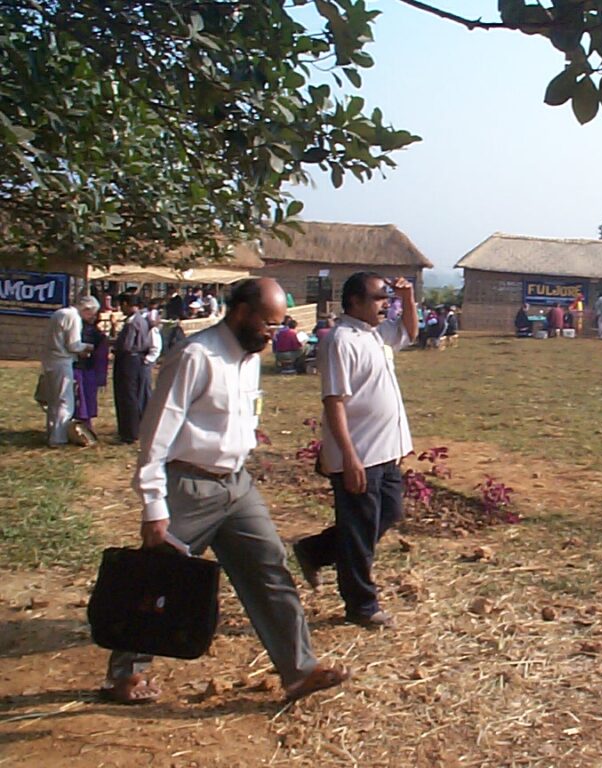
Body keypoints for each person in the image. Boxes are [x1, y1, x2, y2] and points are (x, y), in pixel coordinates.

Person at [100, 278, 346, 705]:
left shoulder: (249, 358)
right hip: (188, 486)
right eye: (269, 324)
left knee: (270, 567)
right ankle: (125, 675)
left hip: (236, 485)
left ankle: (299, 671)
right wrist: (154, 505)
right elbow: (155, 436)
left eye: (279, 324)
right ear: (242, 312)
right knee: (158, 578)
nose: (273, 333)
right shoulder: (195, 357)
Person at [293, 273, 417, 629]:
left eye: (386, 298)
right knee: (360, 532)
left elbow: (409, 332)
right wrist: (349, 457)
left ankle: (315, 551)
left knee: (388, 514)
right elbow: (334, 401)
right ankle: (361, 605)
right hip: (361, 453)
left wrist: (407, 297)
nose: (385, 304)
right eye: (379, 297)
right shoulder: (341, 340)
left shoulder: (374, 334)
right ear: (355, 302)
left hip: (387, 450)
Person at [40, 296, 98, 446]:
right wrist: (88, 347)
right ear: (86, 309)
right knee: (65, 402)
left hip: (50, 360)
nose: (91, 317)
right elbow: (73, 345)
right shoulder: (73, 317)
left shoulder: (59, 313)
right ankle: (59, 438)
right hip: (62, 361)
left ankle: (52, 432)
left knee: (53, 401)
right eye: (91, 313)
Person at [112, 293, 153, 444]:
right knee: (133, 395)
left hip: (128, 360)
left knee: (127, 395)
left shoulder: (132, 323)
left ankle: (129, 432)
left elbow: (126, 345)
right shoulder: (142, 320)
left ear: (126, 304)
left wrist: (114, 347)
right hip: (136, 360)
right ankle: (134, 430)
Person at [72, 309, 109, 435]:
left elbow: (101, 355)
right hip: (78, 368)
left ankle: (85, 426)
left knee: (86, 399)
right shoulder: (77, 329)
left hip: (88, 369)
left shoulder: (97, 334)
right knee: (80, 399)